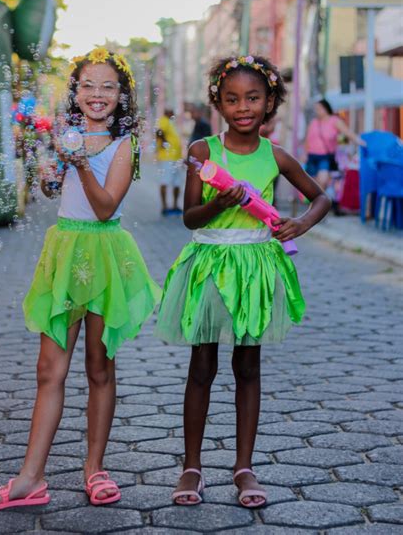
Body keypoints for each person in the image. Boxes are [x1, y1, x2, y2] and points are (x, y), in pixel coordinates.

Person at [0, 48, 161, 512]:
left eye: (108, 87)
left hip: (103, 252)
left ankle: (94, 468)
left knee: (99, 367)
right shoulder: (67, 133)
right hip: (65, 250)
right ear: (74, 92)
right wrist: (50, 170)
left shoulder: (124, 146)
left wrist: (78, 161)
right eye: (88, 86)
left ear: (122, 96)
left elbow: (104, 206)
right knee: (48, 370)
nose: (97, 94)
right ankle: (29, 478)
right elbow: (53, 189)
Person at [155, 54, 330, 509]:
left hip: (255, 268)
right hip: (211, 263)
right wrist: (219, 202)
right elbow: (190, 218)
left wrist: (299, 225)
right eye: (231, 99)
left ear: (270, 100)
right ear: (218, 103)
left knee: (248, 366)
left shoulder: (277, 156)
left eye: (253, 97)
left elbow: (320, 197)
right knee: (202, 367)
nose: (243, 107)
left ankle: (243, 468)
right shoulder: (203, 153)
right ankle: (191, 466)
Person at [304, 98, 365, 212]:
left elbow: (348, 133)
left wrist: (361, 142)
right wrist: (304, 154)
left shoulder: (334, 120)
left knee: (322, 181)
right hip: (312, 156)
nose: (316, 111)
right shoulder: (314, 122)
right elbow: (308, 139)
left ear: (325, 108)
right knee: (312, 184)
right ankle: (316, 208)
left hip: (325, 157)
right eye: (315, 109)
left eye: (318, 108)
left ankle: (318, 209)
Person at [155, 108, 183, 215]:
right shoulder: (164, 120)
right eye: (171, 111)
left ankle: (175, 205)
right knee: (165, 181)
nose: (173, 113)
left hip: (175, 157)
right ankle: (165, 206)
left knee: (177, 182)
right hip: (167, 157)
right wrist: (163, 141)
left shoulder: (171, 122)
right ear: (167, 112)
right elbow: (159, 131)